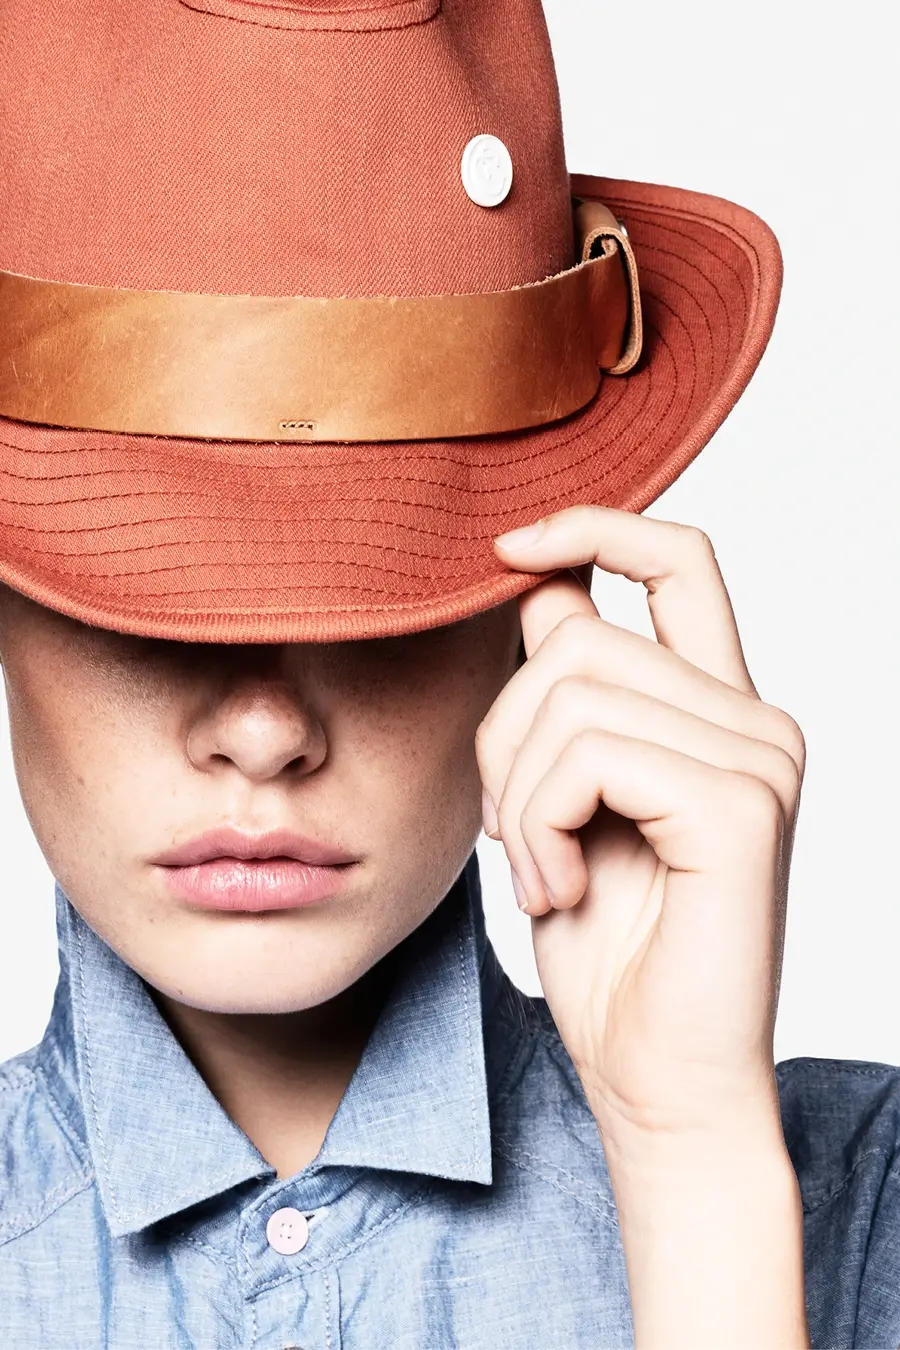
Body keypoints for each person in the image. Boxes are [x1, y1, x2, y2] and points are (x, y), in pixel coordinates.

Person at [2, 1, 887, 1347]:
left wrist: (691, 1164)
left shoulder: (862, 1212)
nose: (262, 729)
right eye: (144, 592)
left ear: (538, 601)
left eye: (379, 591)